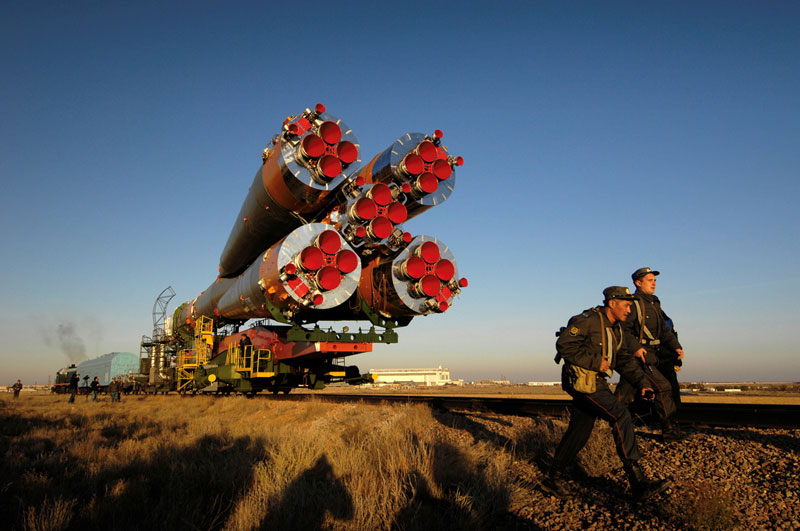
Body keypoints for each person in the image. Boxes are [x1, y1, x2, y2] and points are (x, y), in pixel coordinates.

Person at [541, 286, 671, 501]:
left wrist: (642, 383)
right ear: (612, 303)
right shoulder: (589, 319)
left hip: (594, 382)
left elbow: (625, 360)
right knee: (620, 415)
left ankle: (553, 480)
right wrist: (595, 362)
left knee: (579, 431)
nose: (630, 310)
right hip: (583, 382)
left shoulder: (616, 328)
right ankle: (638, 482)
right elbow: (564, 344)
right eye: (627, 305)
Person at [616, 267, 685, 441]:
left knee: (624, 394)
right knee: (662, 387)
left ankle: (609, 425)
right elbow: (623, 330)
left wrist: (676, 346)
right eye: (649, 280)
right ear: (638, 283)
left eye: (654, 280)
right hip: (638, 356)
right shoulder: (633, 304)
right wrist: (636, 348)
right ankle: (669, 431)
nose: (654, 283)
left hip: (651, 355)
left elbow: (663, 330)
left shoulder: (654, 303)